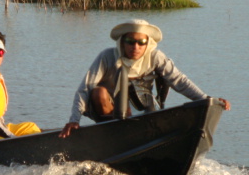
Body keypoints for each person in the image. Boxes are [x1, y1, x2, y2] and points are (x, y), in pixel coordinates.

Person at [59, 19, 230, 138]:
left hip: (144, 109)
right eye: (130, 41)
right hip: (111, 115)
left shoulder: (156, 57)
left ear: (147, 44)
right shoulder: (107, 56)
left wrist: (208, 100)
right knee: (98, 92)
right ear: (122, 42)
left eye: (141, 42)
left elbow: (179, 81)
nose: (136, 47)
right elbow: (84, 89)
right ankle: (114, 134)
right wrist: (74, 120)